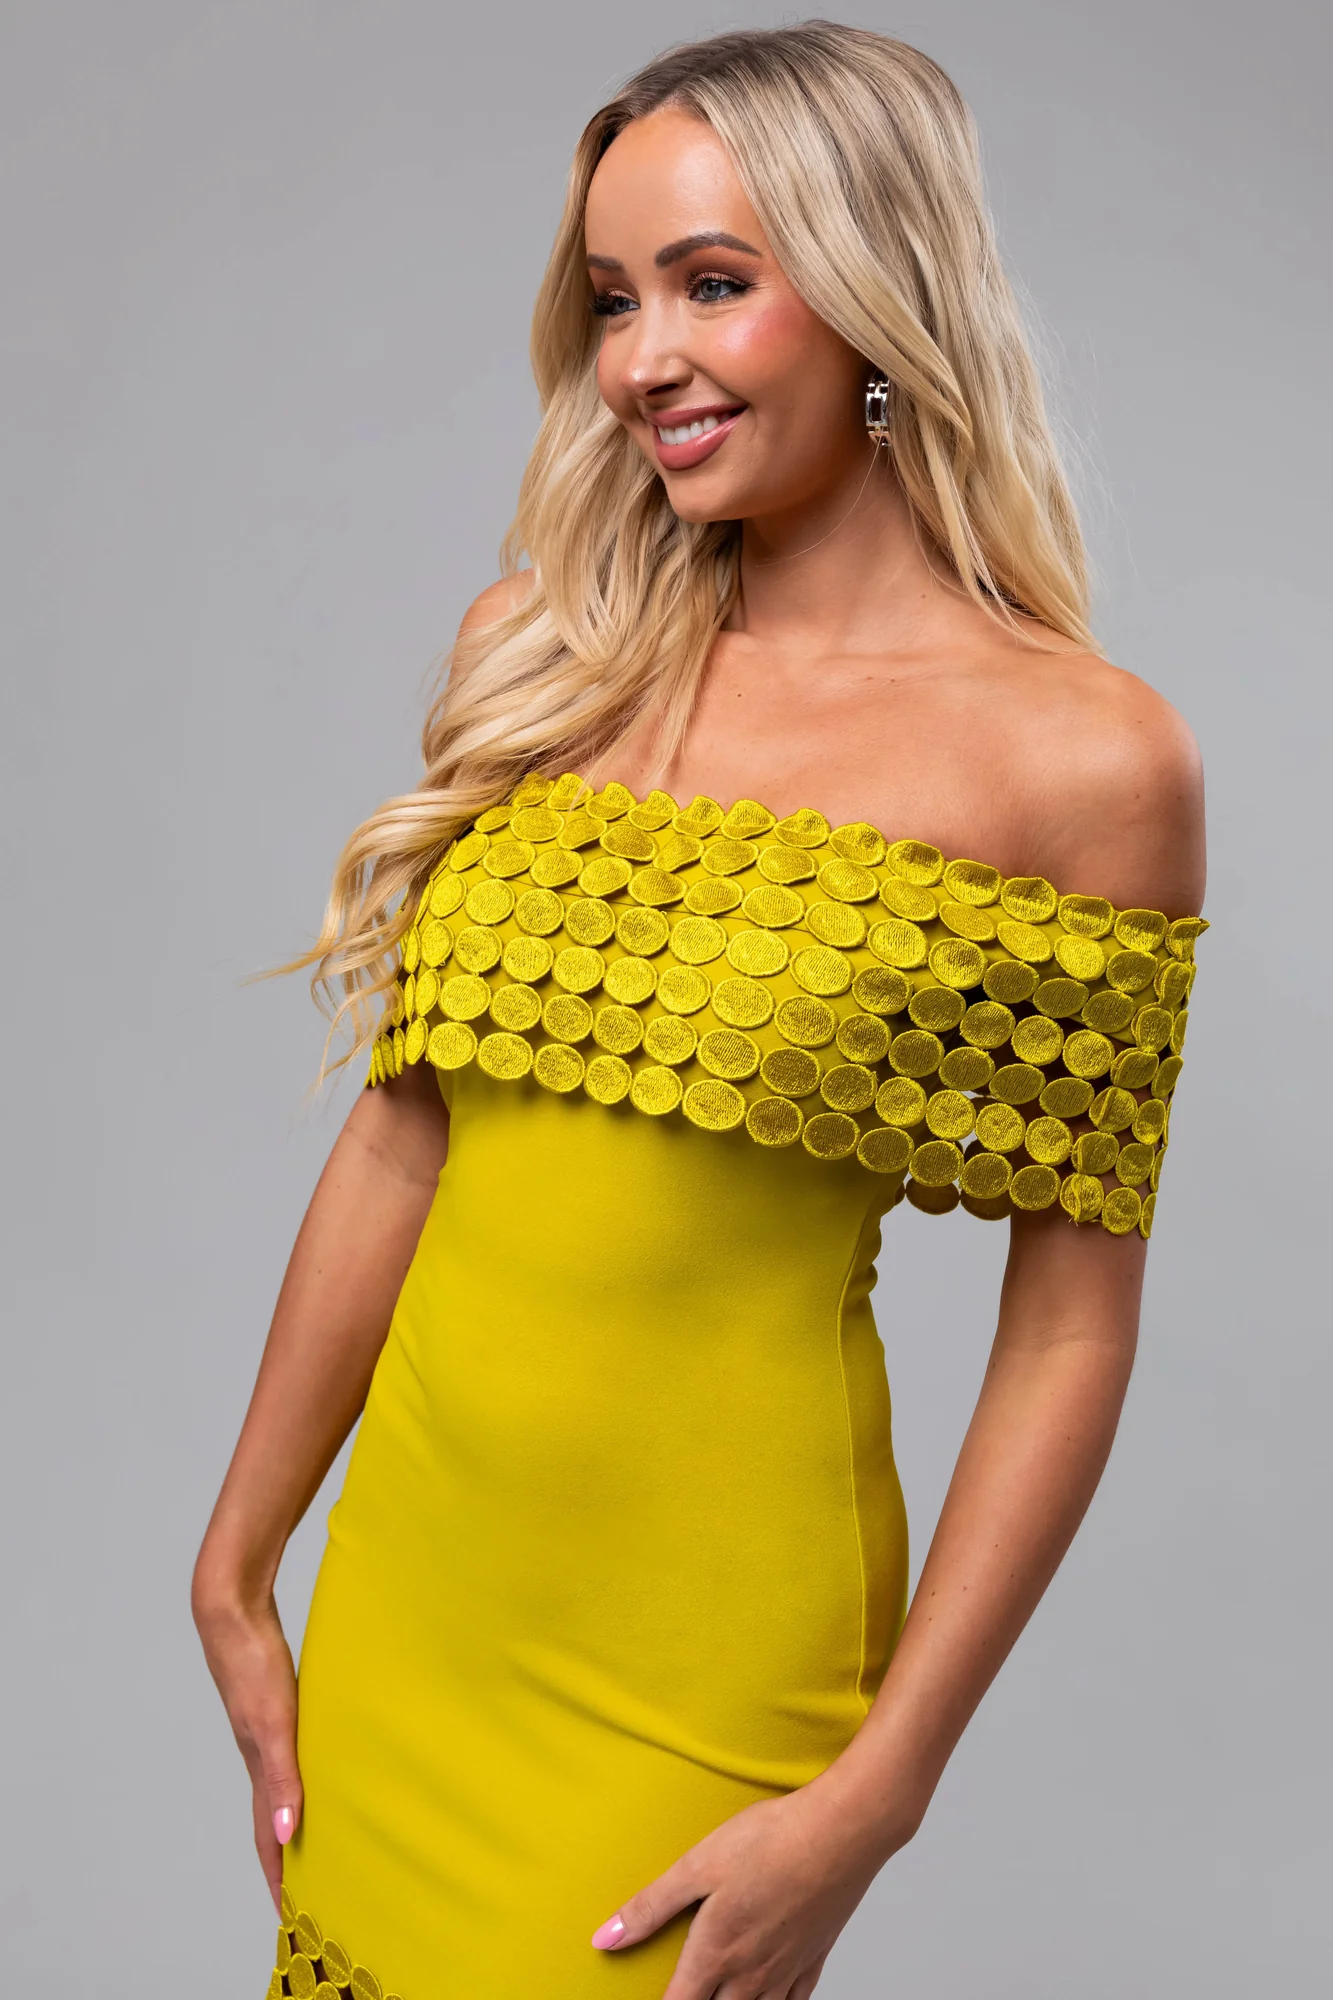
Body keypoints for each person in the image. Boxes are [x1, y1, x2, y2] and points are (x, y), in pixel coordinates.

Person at [193, 22, 1207, 2000]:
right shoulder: (545, 649)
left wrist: (878, 1796)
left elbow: (1071, 1324)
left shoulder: (1083, 763)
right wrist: (237, 1560)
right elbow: (410, 1136)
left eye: (713, 284)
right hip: (413, 1603)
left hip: (699, 1665)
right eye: (611, 299)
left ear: (880, 295)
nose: (642, 358)